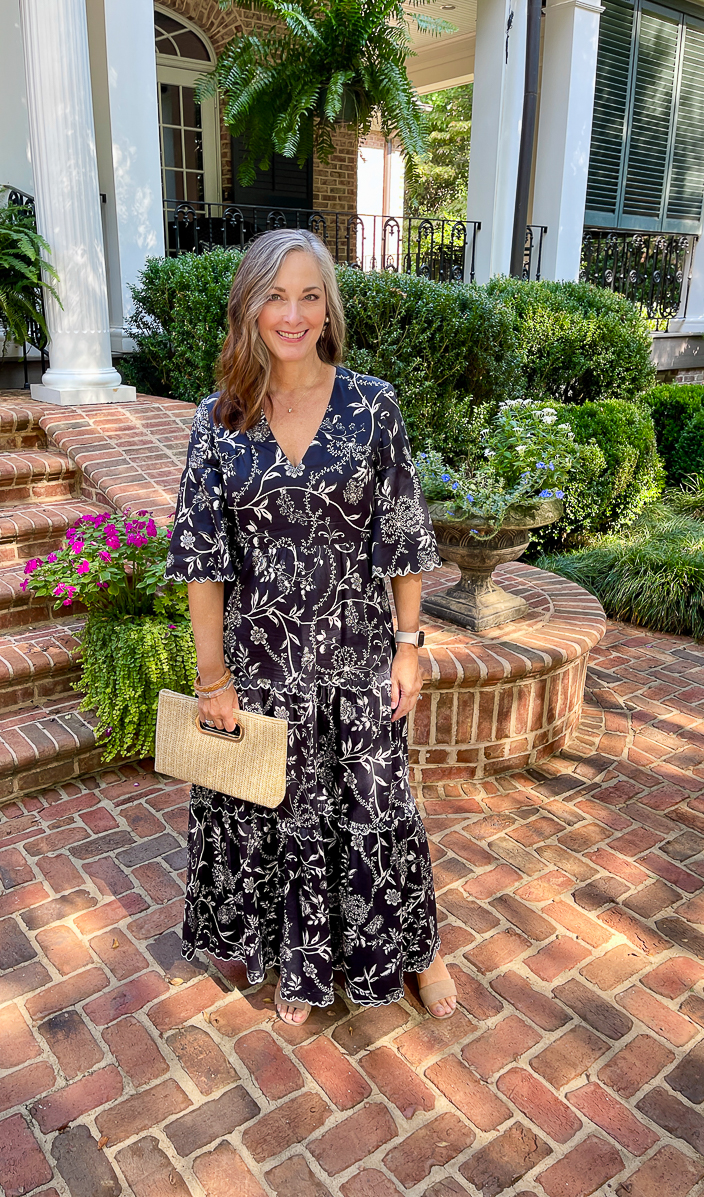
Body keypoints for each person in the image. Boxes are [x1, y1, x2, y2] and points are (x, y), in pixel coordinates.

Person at [165, 228, 457, 1024]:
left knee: (381, 808)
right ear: (250, 306)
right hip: (263, 669)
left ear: (328, 307)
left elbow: (401, 539)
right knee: (276, 816)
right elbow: (202, 560)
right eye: (275, 295)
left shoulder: (373, 406)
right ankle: (296, 964)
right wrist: (212, 677)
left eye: (309, 295)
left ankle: (418, 951)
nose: (292, 314)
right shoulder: (218, 420)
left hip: (359, 657)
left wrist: (409, 648)